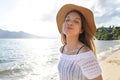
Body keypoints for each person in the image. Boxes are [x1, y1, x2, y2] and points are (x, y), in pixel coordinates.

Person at [56, 4, 103, 80]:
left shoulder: (85, 54)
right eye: (67, 20)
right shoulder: (62, 49)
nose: (70, 23)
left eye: (76, 21)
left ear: (81, 30)